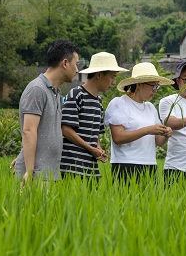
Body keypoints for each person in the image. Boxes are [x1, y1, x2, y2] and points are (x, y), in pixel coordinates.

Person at [13, 39, 80, 184]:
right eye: (76, 64)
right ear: (65, 63)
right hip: (36, 175)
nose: (77, 70)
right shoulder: (37, 89)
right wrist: (29, 170)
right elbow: (29, 130)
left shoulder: (55, 92)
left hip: (50, 174)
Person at [60, 52, 128, 180]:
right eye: (112, 77)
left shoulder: (98, 101)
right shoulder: (76, 94)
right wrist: (90, 148)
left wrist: (98, 148)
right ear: (99, 75)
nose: (114, 82)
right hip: (72, 166)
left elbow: (94, 133)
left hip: (90, 167)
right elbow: (66, 129)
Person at [104, 62, 174, 181]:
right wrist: (147, 130)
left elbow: (158, 142)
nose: (155, 90)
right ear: (139, 85)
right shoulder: (120, 103)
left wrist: (167, 134)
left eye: (157, 86)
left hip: (150, 165)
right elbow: (118, 137)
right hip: (126, 165)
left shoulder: (150, 107)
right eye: (153, 86)